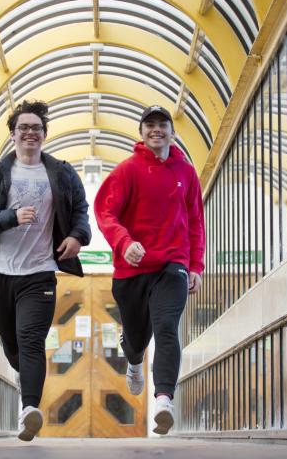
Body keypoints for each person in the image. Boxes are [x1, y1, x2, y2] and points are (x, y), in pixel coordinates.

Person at [0, 100, 91, 441]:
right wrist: (9, 217)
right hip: (0, 272)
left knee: (31, 340)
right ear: (13, 134)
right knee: (10, 341)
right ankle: (24, 378)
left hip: (40, 272)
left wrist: (78, 236)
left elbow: (80, 209)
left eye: (36, 127)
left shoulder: (61, 173)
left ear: (44, 134)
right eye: (24, 128)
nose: (30, 133)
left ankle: (29, 410)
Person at [94, 104, 205, 435]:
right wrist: (125, 242)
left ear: (172, 131)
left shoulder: (186, 173)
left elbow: (196, 222)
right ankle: (133, 361)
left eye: (162, 124)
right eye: (149, 125)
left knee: (167, 328)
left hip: (172, 266)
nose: (156, 129)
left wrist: (195, 264)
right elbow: (105, 213)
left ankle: (163, 400)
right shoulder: (127, 171)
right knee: (136, 338)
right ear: (141, 132)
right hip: (132, 270)